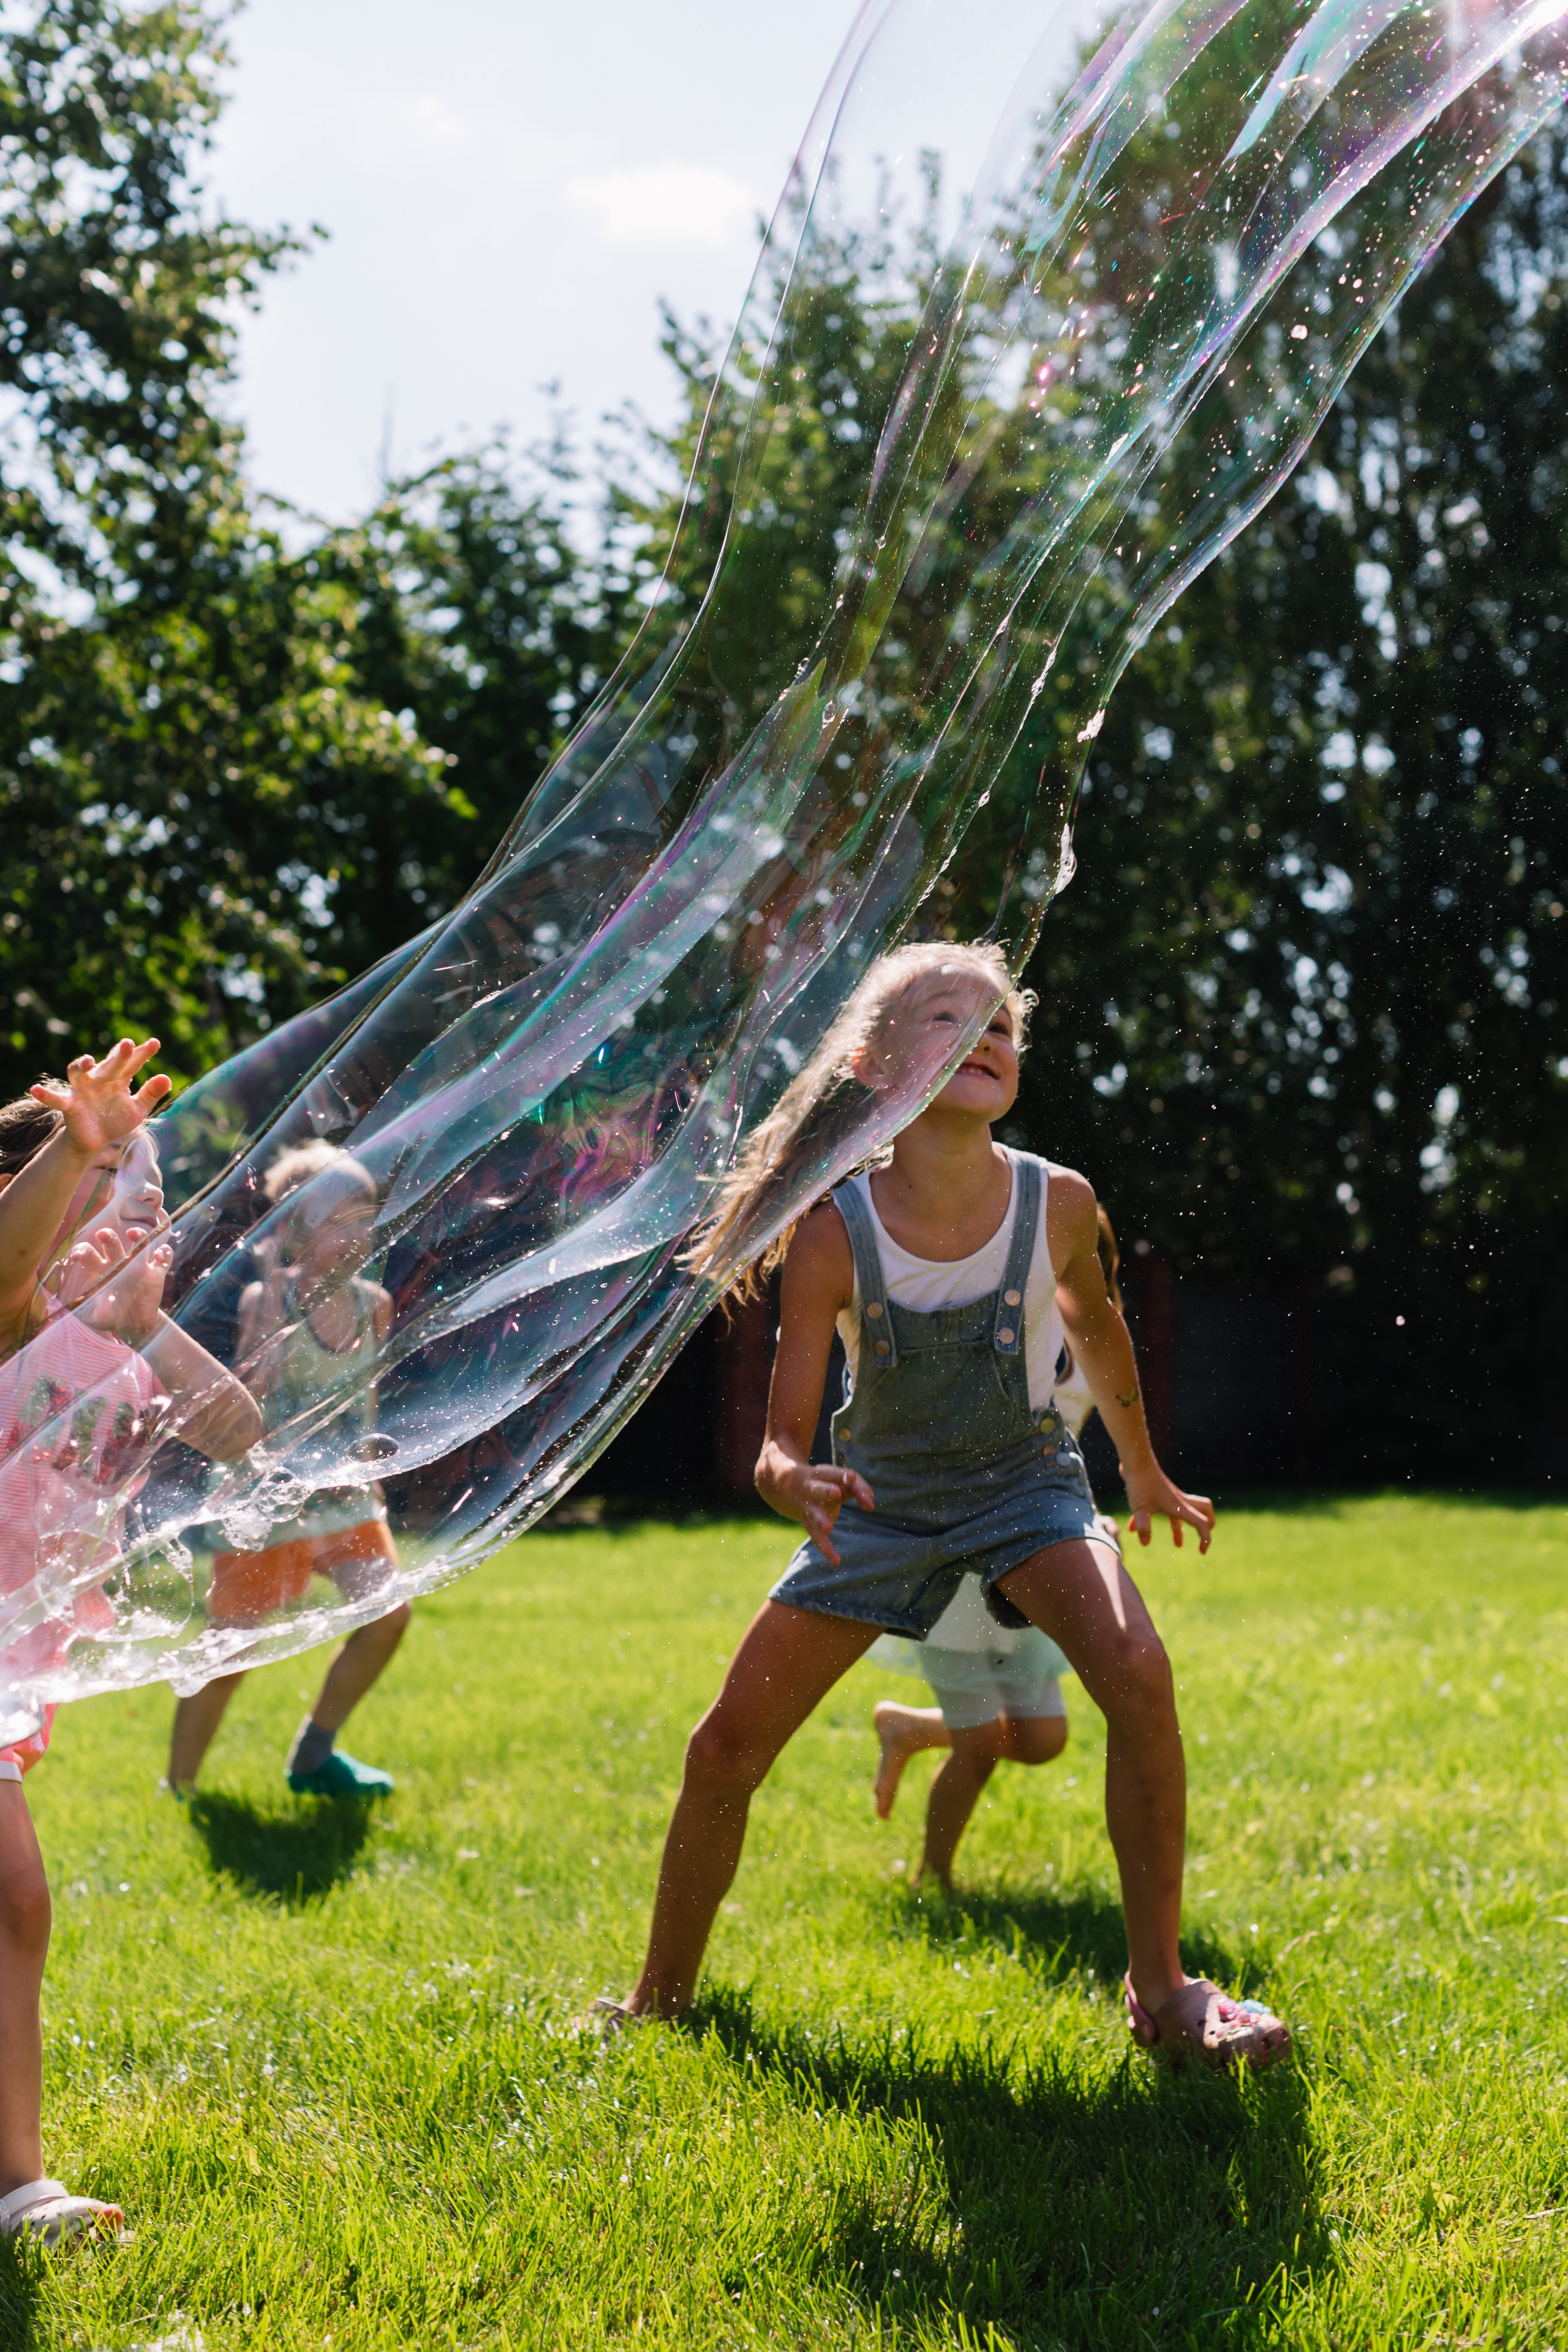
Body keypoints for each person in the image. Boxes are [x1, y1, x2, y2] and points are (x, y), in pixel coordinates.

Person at [603, 940, 1289, 2068]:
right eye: (945, 1019)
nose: (985, 1038)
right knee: (724, 1746)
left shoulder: (1057, 1200)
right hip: (879, 1507)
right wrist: (791, 1480)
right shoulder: (835, 1231)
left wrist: (1144, 1469)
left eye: (1002, 1026)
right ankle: (658, 2002)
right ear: (875, 1064)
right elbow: (783, 1436)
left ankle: (1162, 1991)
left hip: (1026, 1486)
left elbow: (1099, 1327)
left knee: (1141, 1675)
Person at [0, 1044, 260, 2243]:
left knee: (9, 1902)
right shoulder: (12, 1321)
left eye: (150, 1205)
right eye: (121, 1193)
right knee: (14, 1897)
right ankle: (19, 2187)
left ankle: (13, 2185)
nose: (144, 1224)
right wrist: (73, 1150)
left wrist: (154, 1325)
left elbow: (236, 1425)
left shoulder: (119, 1355)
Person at [867, 1209, 1126, 1892]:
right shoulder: (1000, 1320)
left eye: (1087, 1262)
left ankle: (911, 1730)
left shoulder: (1092, 1339)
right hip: (954, 1551)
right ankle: (933, 1877)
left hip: (1030, 1552)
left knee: (1042, 1739)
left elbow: (1058, 1453)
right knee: (981, 1742)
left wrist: (1090, 1522)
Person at [167, 1140, 410, 1800]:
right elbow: (248, 1394)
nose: (356, 1234)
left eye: (365, 1216)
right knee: (231, 1650)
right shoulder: (264, 1303)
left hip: (342, 1494)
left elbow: (365, 1399)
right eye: (337, 1221)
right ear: (295, 1232)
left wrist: (369, 1472)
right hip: (265, 1502)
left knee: (388, 1616)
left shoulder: (375, 1305)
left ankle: (314, 1753)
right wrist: (273, 1296)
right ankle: (179, 1784)